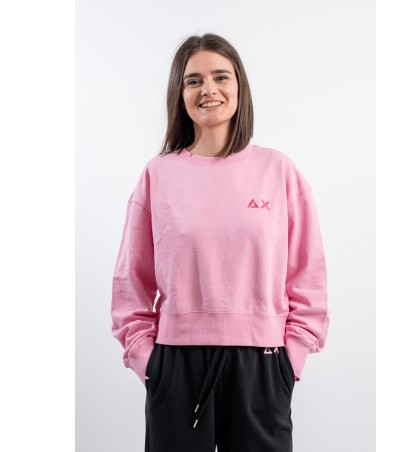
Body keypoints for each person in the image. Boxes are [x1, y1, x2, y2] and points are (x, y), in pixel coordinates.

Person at [111, 32, 330, 452]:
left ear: (239, 86)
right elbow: (130, 280)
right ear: (180, 95)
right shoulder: (158, 175)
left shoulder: (278, 170)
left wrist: (293, 357)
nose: (208, 89)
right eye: (193, 80)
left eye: (220, 76)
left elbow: (308, 273)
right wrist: (147, 361)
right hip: (176, 364)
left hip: (263, 364)